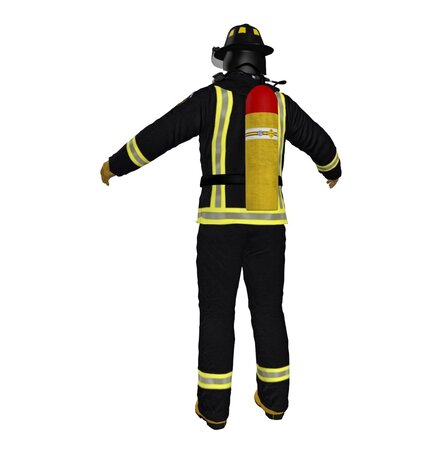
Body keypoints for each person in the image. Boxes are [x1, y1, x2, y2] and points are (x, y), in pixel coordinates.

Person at [100, 23, 341, 430]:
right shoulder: (279, 104)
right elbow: (322, 144)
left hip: (219, 225)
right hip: (269, 226)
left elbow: (160, 134)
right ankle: (274, 402)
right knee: (268, 311)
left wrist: (115, 165)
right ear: (261, 62)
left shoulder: (209, 99)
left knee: (216, 313)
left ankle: (214, 410)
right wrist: (332, 170)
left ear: (227, 60)